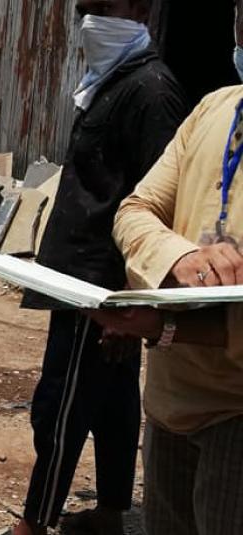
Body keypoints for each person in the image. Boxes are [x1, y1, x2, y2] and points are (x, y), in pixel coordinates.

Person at [8, 1, 189, 534]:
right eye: (81, 10)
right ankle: (111, 511)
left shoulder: (151, 91)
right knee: (112, 403)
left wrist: (131, 298)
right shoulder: (111, 80)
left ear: (136, 8)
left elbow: (157, 206)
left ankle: (34, 522)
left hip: (100, 288)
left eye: (98, 8)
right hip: (81, 280)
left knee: (60, 405)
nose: (85, 21)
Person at [89, 85, 243, 534]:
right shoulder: (213, 107)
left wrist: (164, 327)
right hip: (169, 403)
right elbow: (137, 210)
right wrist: (174, 257)